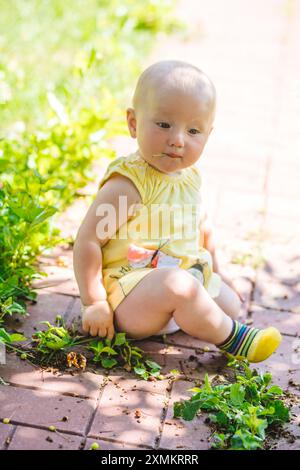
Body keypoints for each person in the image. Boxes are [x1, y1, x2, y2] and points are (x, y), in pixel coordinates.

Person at [73, 60, 281, 363]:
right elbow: (88, 241)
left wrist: (219, 274)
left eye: (193, 130)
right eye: (164, 124)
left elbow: (203, 228)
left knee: (230, 305)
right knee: (180, 287)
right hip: (128, 298)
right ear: (133, 123)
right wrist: (94, 301)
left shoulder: (190, 177)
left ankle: (195, 317)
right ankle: (235, 340)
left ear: (208, 134)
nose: (178, 139)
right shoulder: (129, 184)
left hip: (173, 286)